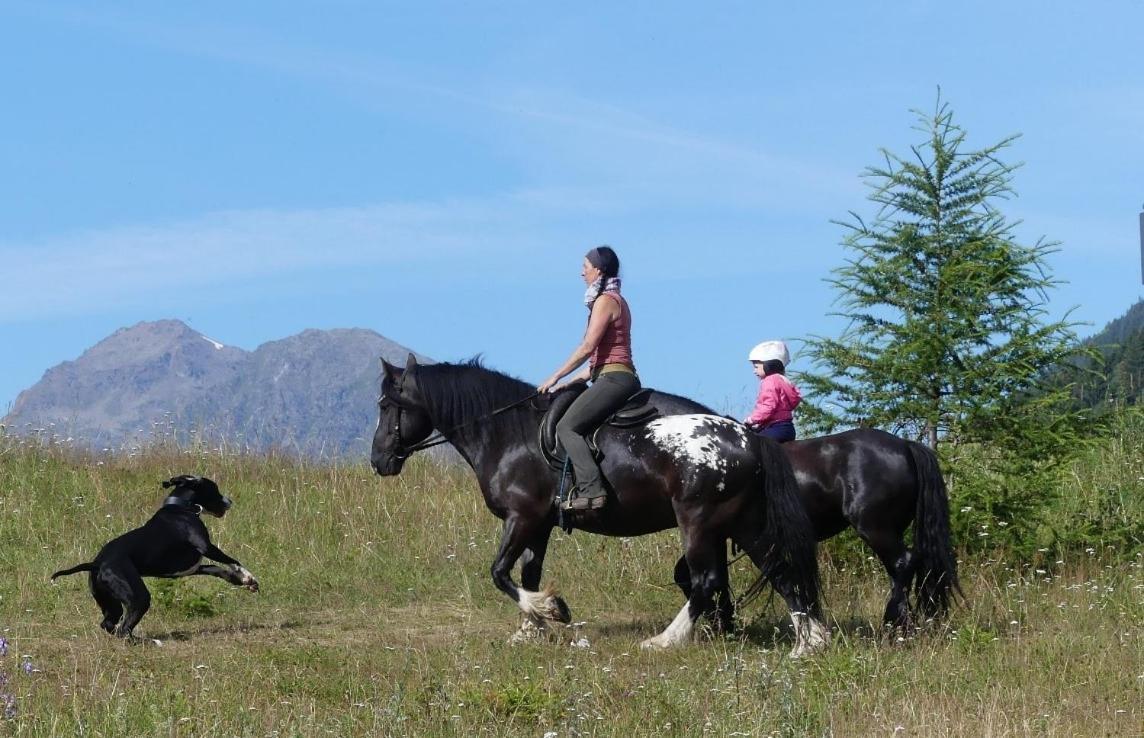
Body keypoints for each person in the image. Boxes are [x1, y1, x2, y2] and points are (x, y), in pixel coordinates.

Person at [538, 246, 639, 510]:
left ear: (599, 270)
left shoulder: (606, 300)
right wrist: (565, 385)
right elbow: (595, 364)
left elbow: (587, 347)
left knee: (566, 427)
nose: (582, 272)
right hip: (609, 374)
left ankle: (592, 490)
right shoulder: (611, 299)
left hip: (615, 379)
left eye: (585, 266)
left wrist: (554, 376)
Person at [744, 340, 801, 443]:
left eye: (756, 367)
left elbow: (768, 406)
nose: (754, 371)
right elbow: (794, 400)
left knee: (752, 443)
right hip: (787, 428)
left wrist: (751, 420)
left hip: (775, 428)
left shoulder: (769, 381)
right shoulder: (784, 380)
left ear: (769, 365)